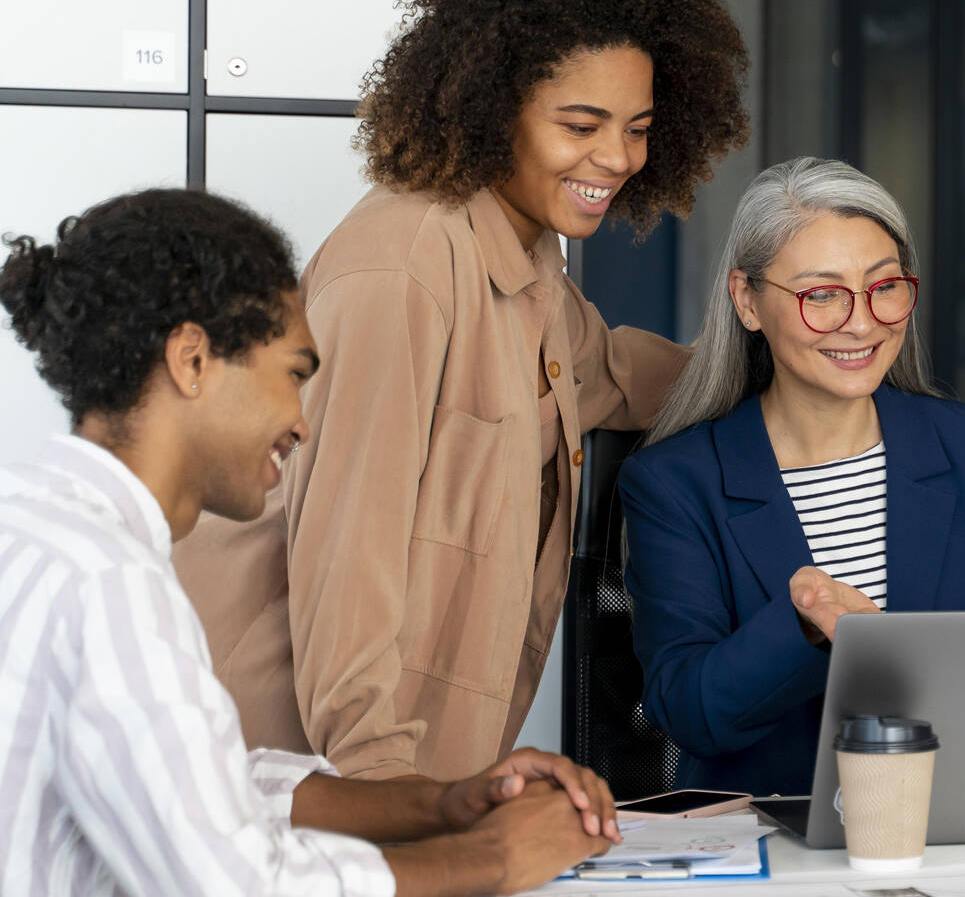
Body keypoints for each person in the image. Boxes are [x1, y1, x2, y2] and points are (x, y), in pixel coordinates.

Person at [171, 0, 751, 781]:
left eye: (637, 127)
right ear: (493, 107)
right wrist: (391, 801)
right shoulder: (404, 265)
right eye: (581, 124)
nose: (618, 157)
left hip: (418, 773)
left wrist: (782, 349)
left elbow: (610, 376)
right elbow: (346, 553)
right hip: (297, 772)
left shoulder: (526, 259)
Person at [0, 189, 622, 896]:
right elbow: (232, 882)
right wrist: (496, 860)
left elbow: (205, 785)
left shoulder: (36, 525)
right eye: (294, 376)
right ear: (192, 360)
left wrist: (446, 801)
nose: (301, 421)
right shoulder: (109, 586)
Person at [619, 158, 965, 795]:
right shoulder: (675, 481)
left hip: (953, 822)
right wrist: (804, 623)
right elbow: (689, 712)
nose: (863, 321)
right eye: (821, 294)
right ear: (748, 301)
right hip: (771, 839)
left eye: (885, 286)